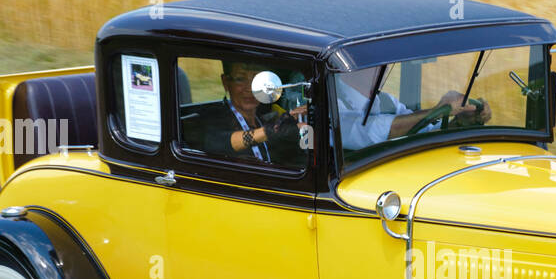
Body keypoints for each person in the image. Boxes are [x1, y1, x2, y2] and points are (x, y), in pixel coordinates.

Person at [335, 66, 491, 152]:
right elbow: (367, 132)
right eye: (377, 63)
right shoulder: (332, 102)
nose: (384, 67)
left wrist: (459, 122)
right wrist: (436, 109)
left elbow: (420, 130)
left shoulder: (386, 101)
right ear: (350, 67)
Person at [191, 59, 305, 167]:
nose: (250, 88)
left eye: (257, 81)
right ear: (225, 82)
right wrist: (270, 131)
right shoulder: (213, 116)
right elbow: (217, 142)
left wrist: (294, 123)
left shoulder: (265, 115)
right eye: (240, 79)